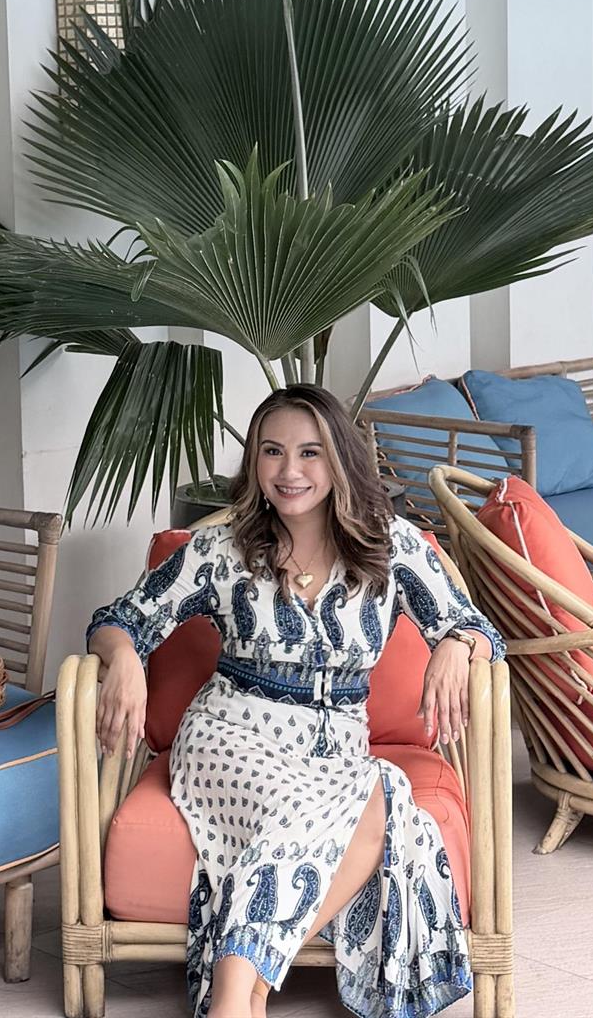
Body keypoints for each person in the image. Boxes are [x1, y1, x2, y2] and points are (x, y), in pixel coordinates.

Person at [87, 384, 505, 1018]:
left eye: (310, 452)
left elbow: (481, 629)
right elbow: (119, 619)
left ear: (339, 459)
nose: (289, 471)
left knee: (386, 794)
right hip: (229, 735)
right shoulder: (219, 550)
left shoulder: (392, 546)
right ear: (254, 461)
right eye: (272, 451)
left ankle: (243, 988)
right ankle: (237, 994)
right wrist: (123, 657)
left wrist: (455, 643)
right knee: (308, 808)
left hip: (335, 755)